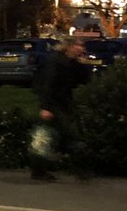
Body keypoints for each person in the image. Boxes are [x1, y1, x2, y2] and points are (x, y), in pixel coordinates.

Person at [30, 38, 91, 180]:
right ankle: (41, 170)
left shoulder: (72, 63)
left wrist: (83, 64)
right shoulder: (55, 62)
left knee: (53, 137)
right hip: (54, 105)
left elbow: (84, 80)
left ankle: (40, 170)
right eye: (78, 45)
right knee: (56, 137)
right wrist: (46, 107)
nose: (82, 49)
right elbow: (48, 84)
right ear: (69, 46)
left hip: (64, 104)